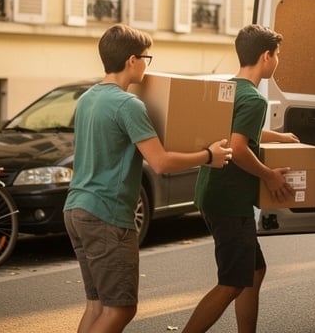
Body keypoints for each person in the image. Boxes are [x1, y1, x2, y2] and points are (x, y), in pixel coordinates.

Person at [63, 24, 232, 333]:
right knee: (122, 308)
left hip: (77, 208)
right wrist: (209, 156)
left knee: (97, 304)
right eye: (146, 57)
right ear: (132, 60)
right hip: (107, 214)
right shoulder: (128, 105)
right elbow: (161, 163)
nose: (147, 64)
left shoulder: (87, 98)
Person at [182, 24, 299, 333]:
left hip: (211, 191)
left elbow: (236, 131)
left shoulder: (229, 89)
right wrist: (269, 175)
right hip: (231, 200)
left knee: (255, 270)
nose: (278, 61)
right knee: (232, 283)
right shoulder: (255, 99)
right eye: (278, 55)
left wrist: (279, 136)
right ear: (266, 56)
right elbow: (237, 147)